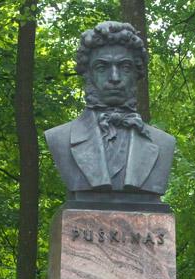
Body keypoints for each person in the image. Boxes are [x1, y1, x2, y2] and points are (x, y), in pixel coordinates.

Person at [45, 21, 175, 199]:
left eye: (125, 67)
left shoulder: (164, 143)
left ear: (137, 73)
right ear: (88, 74)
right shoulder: (60, 138)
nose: (114, 78)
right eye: (102, 67)